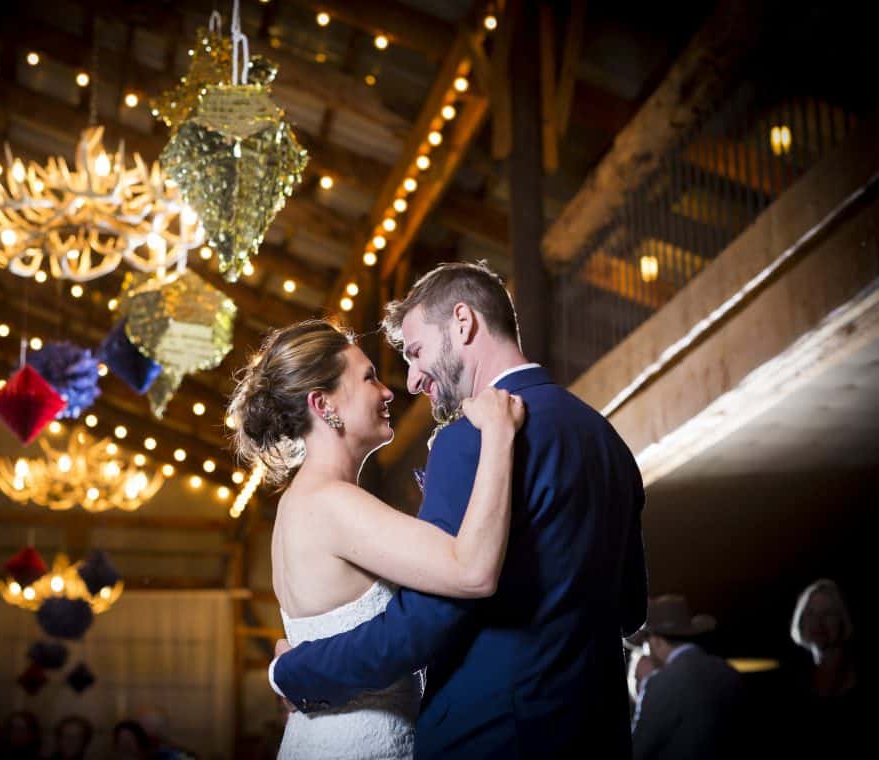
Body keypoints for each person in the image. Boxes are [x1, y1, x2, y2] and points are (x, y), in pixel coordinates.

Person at [266, 261, 648, 758]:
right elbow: (630, 607)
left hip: (492, 735)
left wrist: (292, 672)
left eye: (416, 351)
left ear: (463, 324)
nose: (412, 380)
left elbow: (427, 617)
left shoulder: (470, 440)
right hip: (599, 734)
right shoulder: (606, 438)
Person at [229, 316, 524, 759]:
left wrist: (290, 672)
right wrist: (499, 436)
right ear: (323, 404)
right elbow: (472, 571)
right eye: (369, 378)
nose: (388, 391)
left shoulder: (300, 502)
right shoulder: (332, 503)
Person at [629, 594, 746, 760]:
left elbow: (638, 749)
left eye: (644, 644)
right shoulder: (727, 672)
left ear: (655, 641)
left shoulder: (661, 682)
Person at [787, 578, 866, 753]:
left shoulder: (859, 677)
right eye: (810, 613)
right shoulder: (792, 684)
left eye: (828, 613)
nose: (817, 622)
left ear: (844, 618)